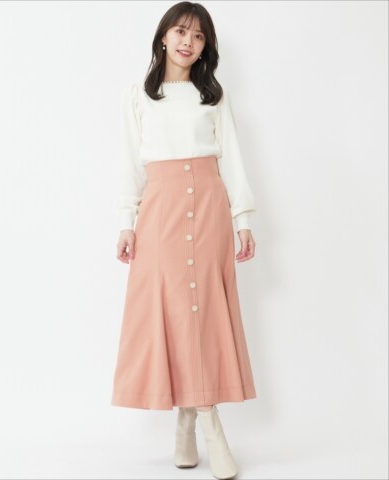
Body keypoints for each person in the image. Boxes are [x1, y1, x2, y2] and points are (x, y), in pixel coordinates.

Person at [111, 2, 258, 479]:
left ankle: (192, 424)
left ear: (205, 46)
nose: (187, 43)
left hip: (210, 206)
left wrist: (242, 217)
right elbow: (130, 163)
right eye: (180, 32)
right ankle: (203, 423)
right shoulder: (139, 96)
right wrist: (126, 221)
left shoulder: (212, 96)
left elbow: (231, 155)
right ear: (163, 36)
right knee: (174, 311)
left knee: (205, 312)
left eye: (198, 37)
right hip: (161, 211)